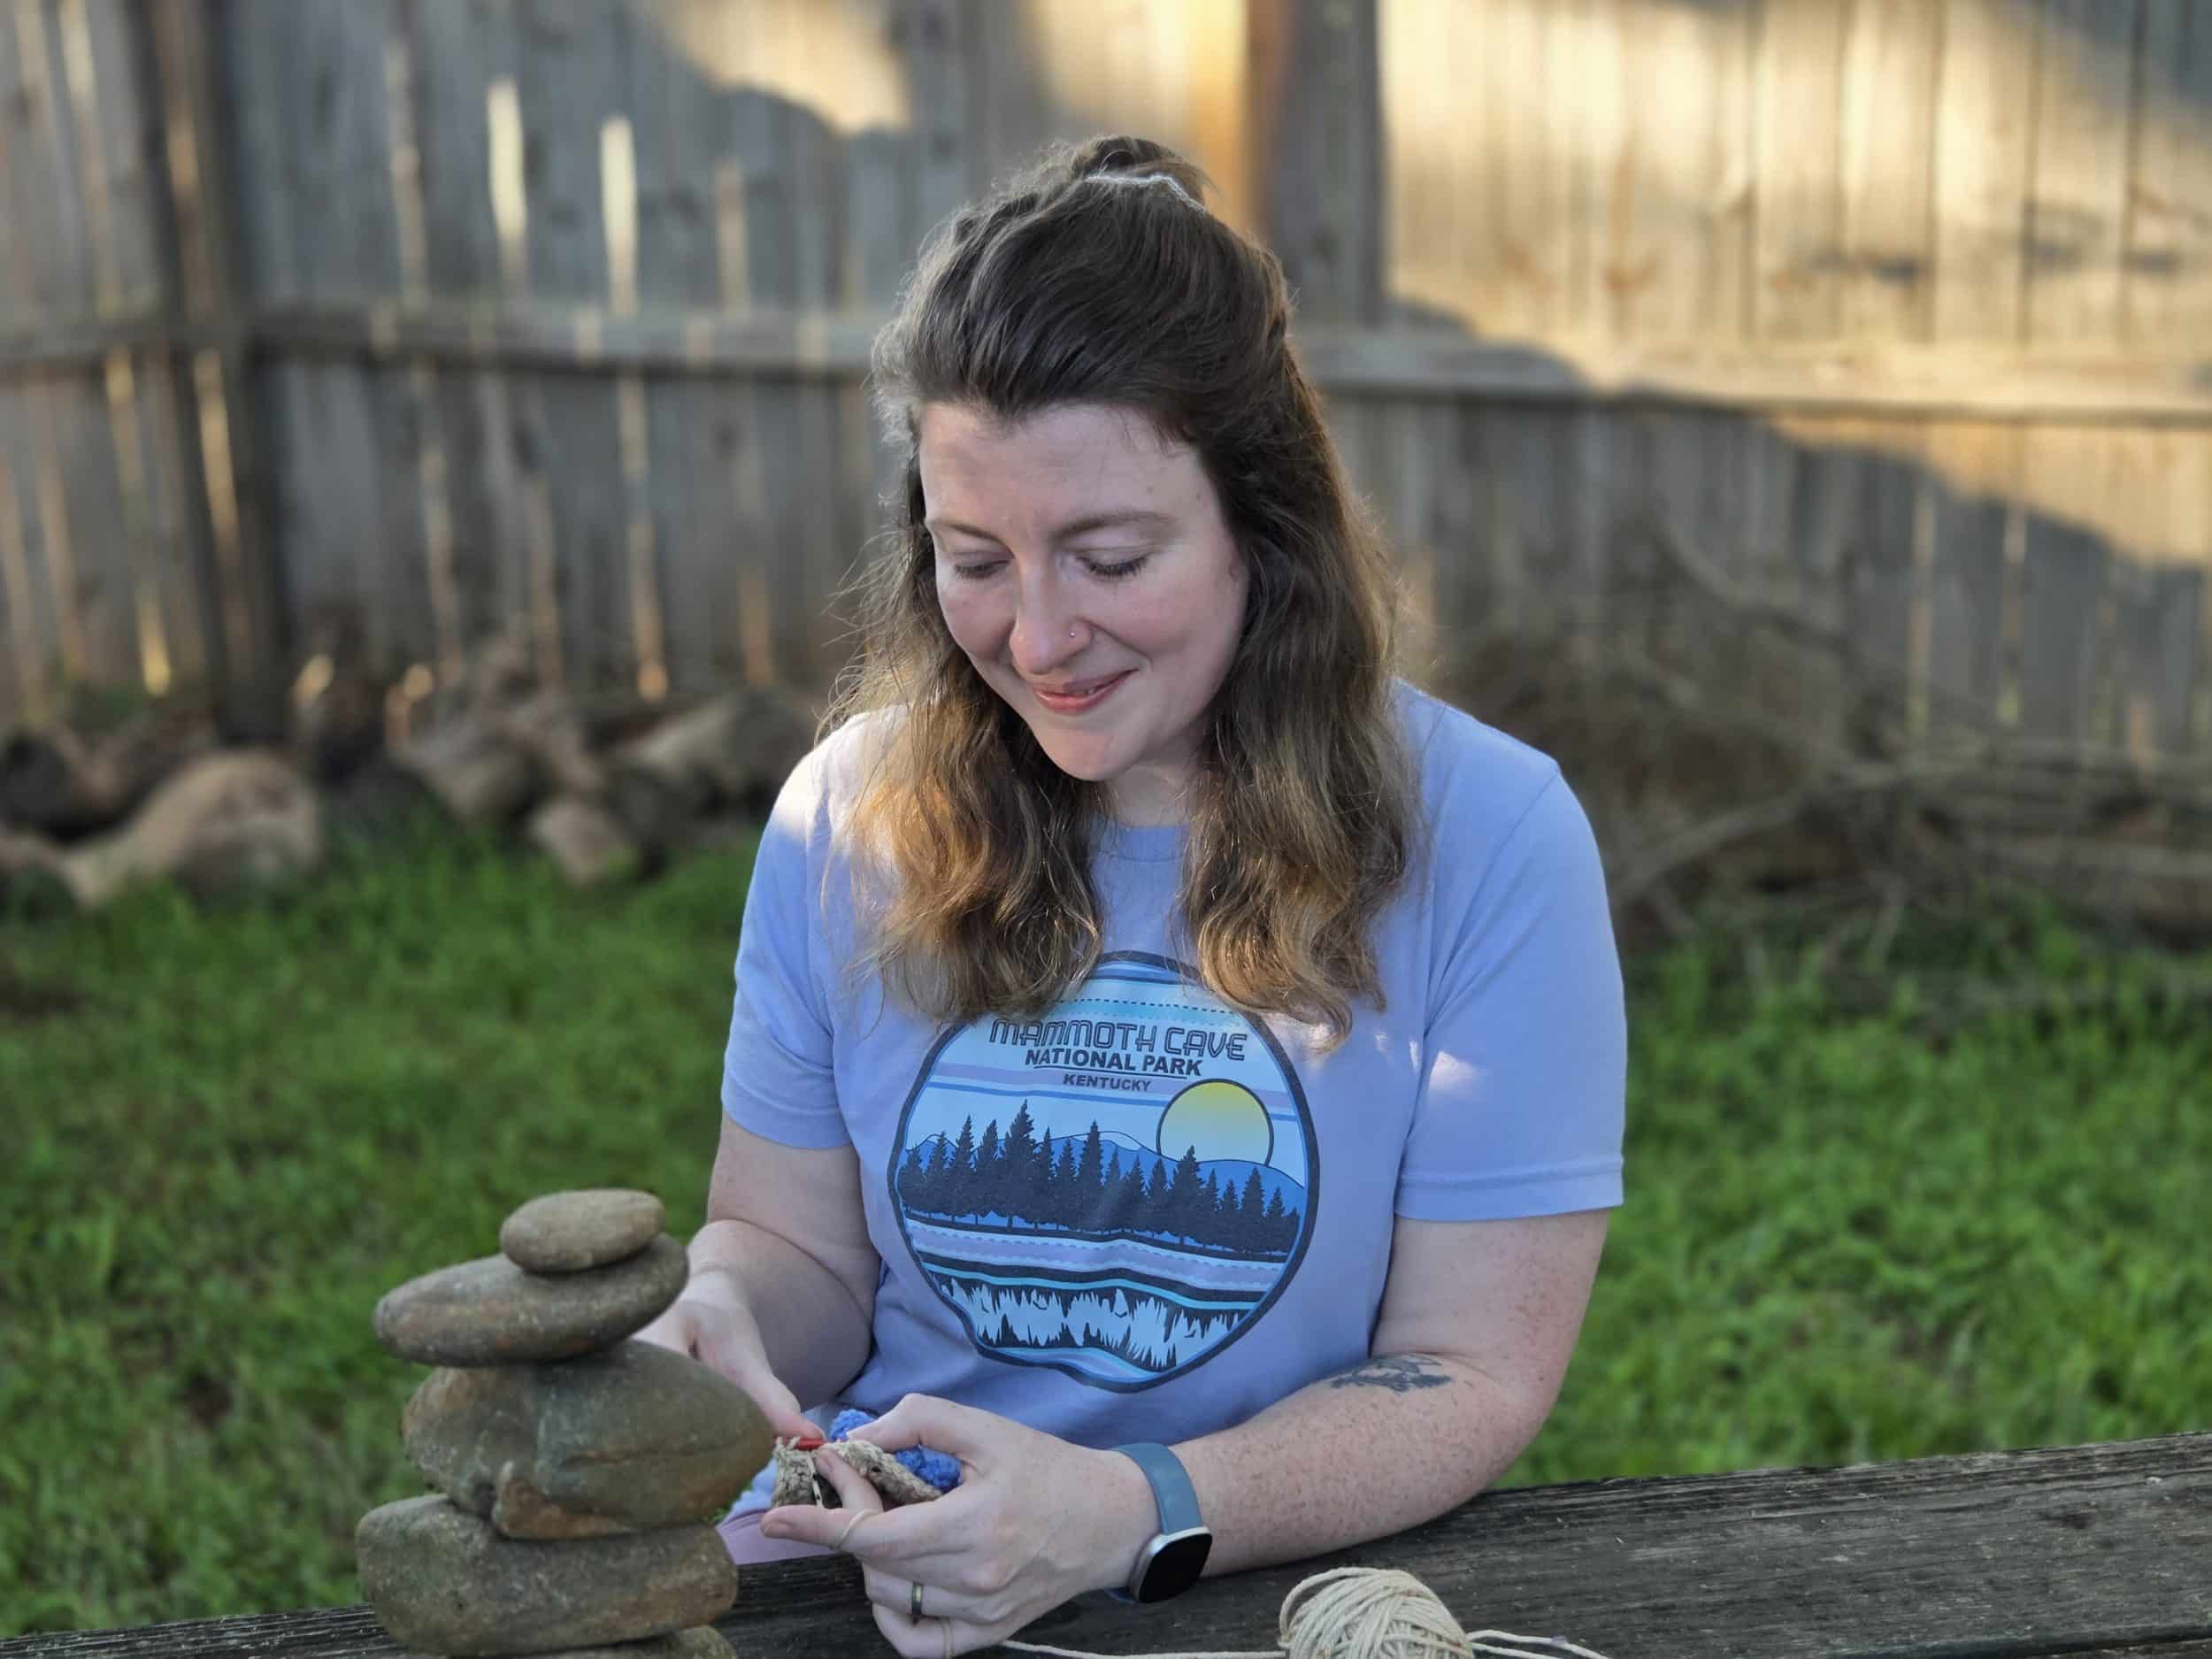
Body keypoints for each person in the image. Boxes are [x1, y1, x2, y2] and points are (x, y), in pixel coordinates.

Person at [634, 134, 1625, 1659]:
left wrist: (1127, 1506)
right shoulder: (849, 814)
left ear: (1264, 527)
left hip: (1240, 1583)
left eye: (1109, 555)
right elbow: (806, 1258)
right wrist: (726, 1309)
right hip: (855, 1572)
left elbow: (1470, 1368)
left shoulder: (1490, 834)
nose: (1037, 637)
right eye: (976, 558)